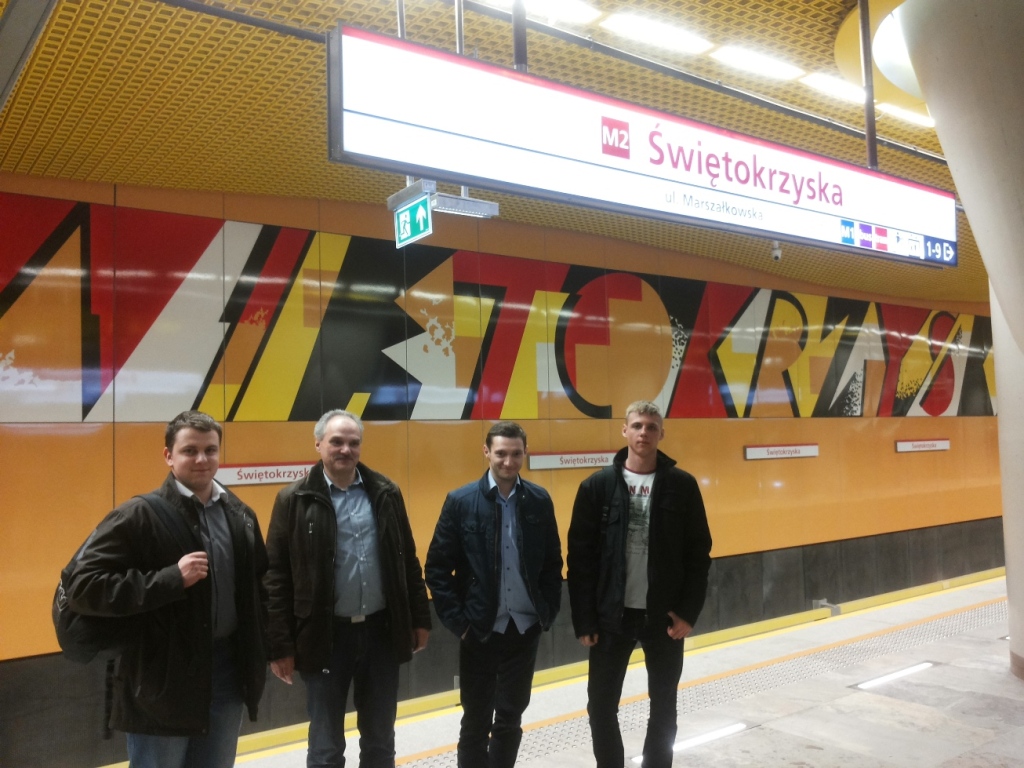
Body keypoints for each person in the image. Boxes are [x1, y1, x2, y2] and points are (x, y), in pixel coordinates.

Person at [66, 410, 269, 768]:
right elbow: (83, 586)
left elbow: (259, 588)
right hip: (161, 677)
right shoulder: (138, 515)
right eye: (190, 450)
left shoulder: (240, 515)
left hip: (226, 672)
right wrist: (171, 579)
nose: (202, 459)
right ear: (168, 456)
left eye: (210, 450)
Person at [264, 409, 431, 768]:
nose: (345, 449)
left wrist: (420, 618)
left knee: (381, 741)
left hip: (381, 633)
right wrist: (279, 644)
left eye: (353, 443)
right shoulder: (293, 500)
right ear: (318, 444)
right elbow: (275, 577)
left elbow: (407, 559)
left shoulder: (385, 493)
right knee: (325, 747)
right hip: (325, 637)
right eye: (336, 442)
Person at [567, 400, 712, 768]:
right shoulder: (596, 487)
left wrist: (688, 612)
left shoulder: (682, 486)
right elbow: (580, 560)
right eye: (637, 426)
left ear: (661, 433)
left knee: (664, 705)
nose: (643, 433)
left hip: (664, 617)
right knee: (601, 705)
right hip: (609, 618)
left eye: (651, 427)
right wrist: (584, 620)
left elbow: (698, 554)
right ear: (624, 431)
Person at [425, 421, 563, 768]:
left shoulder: (539, 501)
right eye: (501, 453)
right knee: (475, 719)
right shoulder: (460, 502)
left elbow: (552, 562)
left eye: (516, 453)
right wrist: (461, 625)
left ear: (525, 452)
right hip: (479, 630)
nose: (508, 461)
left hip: (524, 628)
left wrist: (546, 611)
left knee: (510, 719)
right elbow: (437, 569)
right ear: (486, 452)